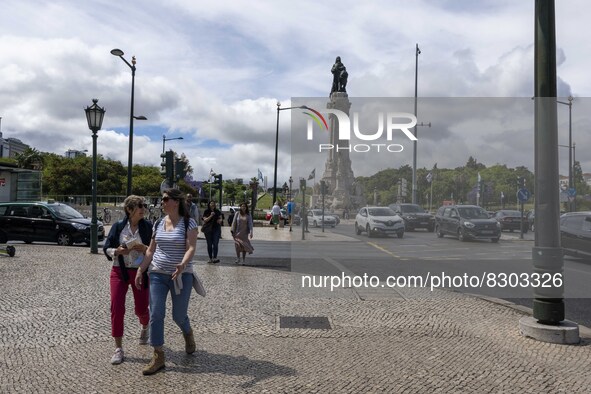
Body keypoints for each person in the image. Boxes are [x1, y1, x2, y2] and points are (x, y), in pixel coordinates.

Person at [135, 188, 198, 376]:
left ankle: (188, 333)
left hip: (182, 275)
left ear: (176, 202)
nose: (161, 202)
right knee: (156, 313)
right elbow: (150, 250)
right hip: (158, 273)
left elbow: (192, 247)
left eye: (165, 199)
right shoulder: (159, 223)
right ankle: (158, 355)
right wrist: (141, 269)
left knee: (178, 316)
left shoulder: (189, 223)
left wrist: (182, 264)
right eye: (161, 199)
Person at [103, 195, 152, 365]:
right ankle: (118, 348)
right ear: (130, 209)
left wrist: (144, 248)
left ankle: (145, 326)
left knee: (141, 309)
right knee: (116, 307)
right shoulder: (118, 226)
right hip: (119, 270)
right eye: (140, 206)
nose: (143, 208)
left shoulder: (148, 227)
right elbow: (106, 247)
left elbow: (155, 249)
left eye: (144, 205)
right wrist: (116, 251)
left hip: (140, 271)